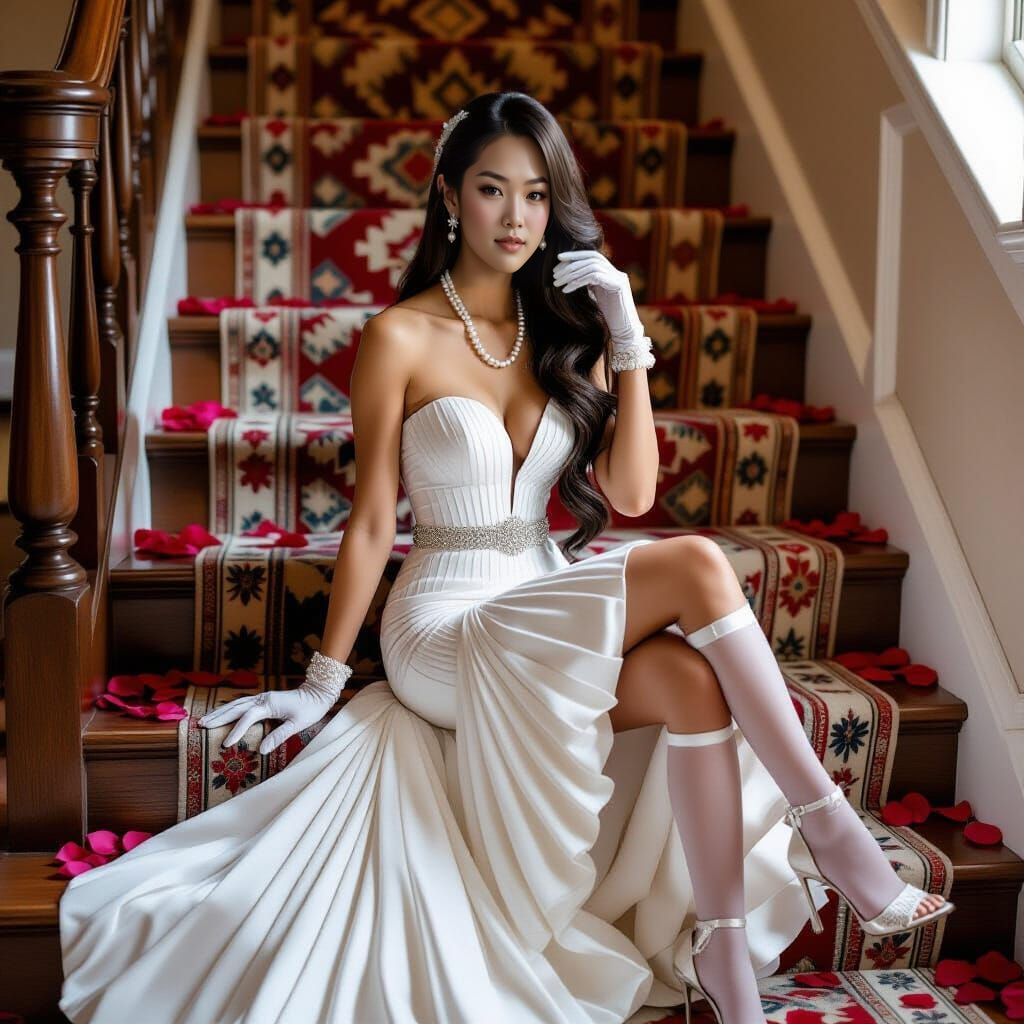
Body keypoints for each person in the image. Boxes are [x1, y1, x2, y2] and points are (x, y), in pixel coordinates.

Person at [57, 91, 953, 1024]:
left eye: (535, 195)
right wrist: (323, 682)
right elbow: (370, 523)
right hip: (445, 624)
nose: (517, 216)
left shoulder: (566, 338)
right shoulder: (398, 336)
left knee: (690, 682)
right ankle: (834, 830)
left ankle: (726, 974)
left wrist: (625, 331)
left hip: (540, 594)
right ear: (450, 196)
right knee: (694, 565)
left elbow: (633, 492)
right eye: (493, 190)